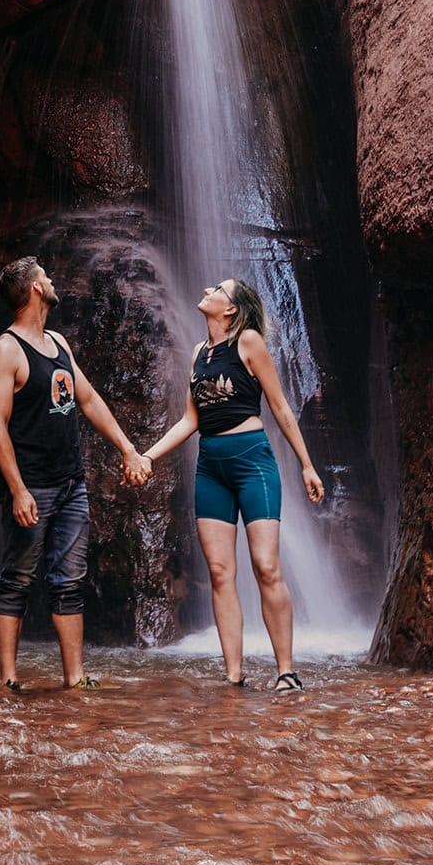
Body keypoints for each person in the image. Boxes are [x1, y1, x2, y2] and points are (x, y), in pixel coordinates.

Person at [135, 278, 325, 692]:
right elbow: (190, 420)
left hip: (252, 462)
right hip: (211, 469)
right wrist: (148, 455)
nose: (207, 288)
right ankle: (234, 674)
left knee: (266, 566)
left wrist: (307, 465)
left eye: (219, 288)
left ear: (231, 310)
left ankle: (286, 671)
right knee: (221, 572)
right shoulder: (198, 355)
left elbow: (279, 406)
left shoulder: (249, 342)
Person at [0, 256, 152, 690]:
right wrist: (18, 490)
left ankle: (74, 679)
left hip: (71, 483)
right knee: (17, 578)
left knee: (70, 581)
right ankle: (8, 680)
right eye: (46, 276)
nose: (52, 279)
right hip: (32, 486)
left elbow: (90, 399)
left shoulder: (58, 342)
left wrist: (128, 449)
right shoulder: (6, 351)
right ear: (35, 290)